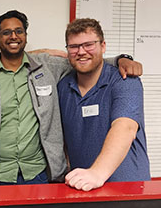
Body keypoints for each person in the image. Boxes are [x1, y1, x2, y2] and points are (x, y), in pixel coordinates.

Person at [0, 10, 143, 187]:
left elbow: (86, 61)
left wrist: (121, 59)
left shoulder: (46, 67)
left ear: (26, 35)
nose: (13, 36)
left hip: (37, 174)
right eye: (6, 32)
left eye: (19, 31)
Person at [58, 18, 150, 191]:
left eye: (89, 45)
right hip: (84, 189)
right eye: (74, 47)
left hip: (128, 190)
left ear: (103, 46)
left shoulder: (124, 80)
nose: (81, 51)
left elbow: (125, 127)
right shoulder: (63, 87)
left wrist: (97, 173)